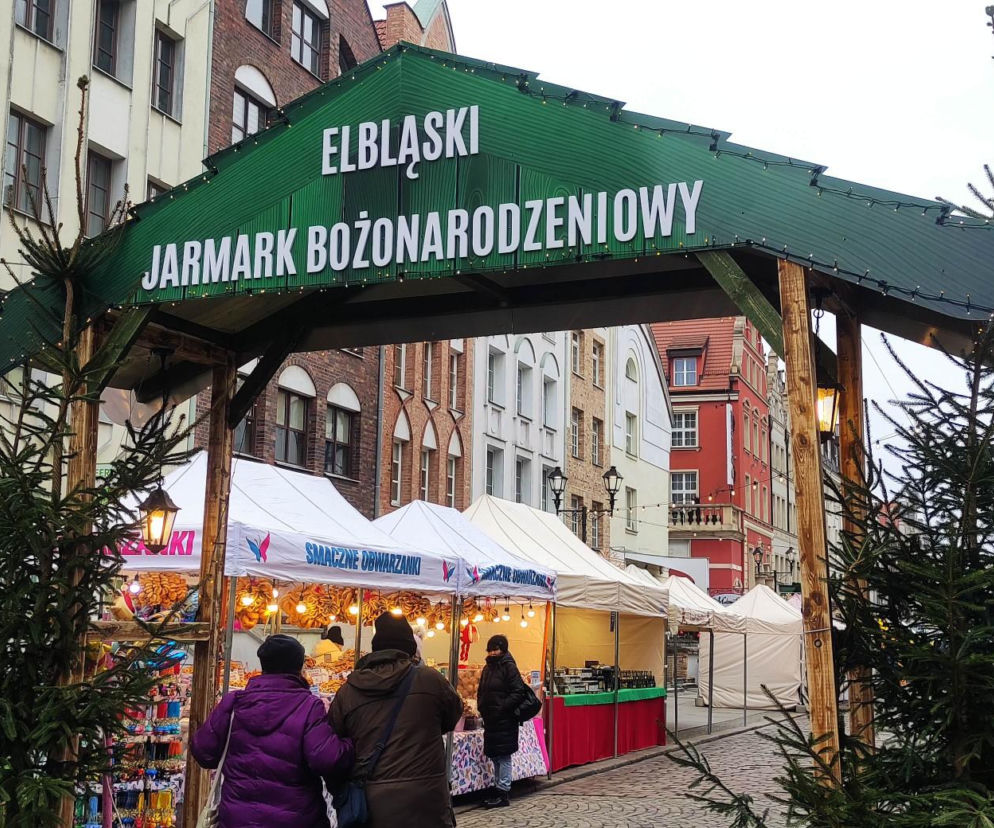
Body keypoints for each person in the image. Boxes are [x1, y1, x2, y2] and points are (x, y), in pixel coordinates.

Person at [191, 634, 354, 827]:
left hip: (239, 818)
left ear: (263, 665)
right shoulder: (309, 706)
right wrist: (350, 743)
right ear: (299, 667)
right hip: (296, 819)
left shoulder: (234, 703)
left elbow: (203, 752)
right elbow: (327, 759)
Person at [329, 612, 463, 827]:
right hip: (427, 800)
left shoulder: (348, 691)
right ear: (410, 648)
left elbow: (336, 742)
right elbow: (452, 717)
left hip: (374, 802)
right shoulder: (431, 680)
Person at [477, 634, 531, 809]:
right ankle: (498, 787)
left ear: (503, 649)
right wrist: (482, 707)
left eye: (496, 649)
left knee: (504, 756)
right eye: (490, 649)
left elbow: (518, 692)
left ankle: (503, 792)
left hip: (504, 719)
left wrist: (501, 708)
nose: (492, 652)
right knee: (494, 755)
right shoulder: (487, 668)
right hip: (491, 719)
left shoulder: (509, 667)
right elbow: (481, 690)